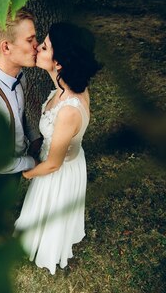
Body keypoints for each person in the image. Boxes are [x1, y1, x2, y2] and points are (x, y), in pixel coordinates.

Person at [14, 22, 101, 275]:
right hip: (64, 159)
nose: (37, 48)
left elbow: (53, 164)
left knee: (49, 212)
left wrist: (27, 173)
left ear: (59, 63)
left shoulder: (69, 111)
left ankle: (46, 246)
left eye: (45, 46)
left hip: (58, 171)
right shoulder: (68, 87)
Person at [0, 9, 42, 175]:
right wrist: (31, 162)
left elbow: (20, 114)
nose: (38, 45)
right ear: (6, 47)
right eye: (30, 40)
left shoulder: (20, 77)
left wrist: (34, 137)